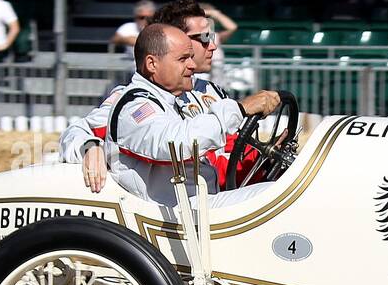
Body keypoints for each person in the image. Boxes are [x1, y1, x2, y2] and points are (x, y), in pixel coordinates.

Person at [65, 0, 237, 192]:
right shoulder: (132, 100)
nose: (212, 45)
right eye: (204, 37)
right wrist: (90, 146)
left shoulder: (212, 91)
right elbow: (78, 131)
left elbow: (233, 150)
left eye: (211, 36)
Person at [101, 23, 281, 205]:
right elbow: (178, 145)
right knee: (276, 196)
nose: (192, 65)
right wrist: (239, 108)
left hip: (196, 205)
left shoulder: (171, 99)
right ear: (152, 64)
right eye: (182, 59)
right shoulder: (135, 106)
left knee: (285, 188)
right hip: (177, 214)